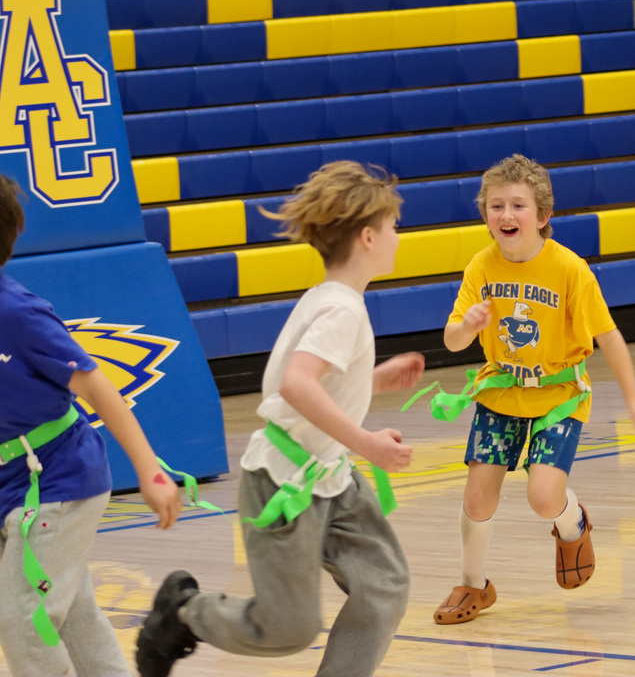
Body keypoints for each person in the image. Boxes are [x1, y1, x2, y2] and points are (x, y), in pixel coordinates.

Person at [135, 161, 425, 677]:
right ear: (367, 237)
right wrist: (367, 443)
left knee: (383, 585)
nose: (398, 237)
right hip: (283, 484)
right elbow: (294, 384)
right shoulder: (341, 310)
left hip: (330, 478)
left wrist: (372, 380)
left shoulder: (332, 299)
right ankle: (184, 612)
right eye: (393, 228)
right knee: (288, 629)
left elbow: (305, 386)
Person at [432, 154, 635, 625]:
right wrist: (469, 324)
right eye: (496, 206)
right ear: (486, 216)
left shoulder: (570, 270)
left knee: (543, 498)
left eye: (518, 205)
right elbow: (452, 339)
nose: (506, 215)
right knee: (478, 497)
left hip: (559, 396)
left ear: (542, 216)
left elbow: (609, 337)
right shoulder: (481, 265)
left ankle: (573, 524)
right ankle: (473, 586)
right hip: (500, 394)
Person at [0, 174, 182, 677]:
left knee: (24, 619)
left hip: (58, 480)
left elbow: (98, 387)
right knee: (75, 618)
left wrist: (151, 471)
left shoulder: (18, 312)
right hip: (10, 483)